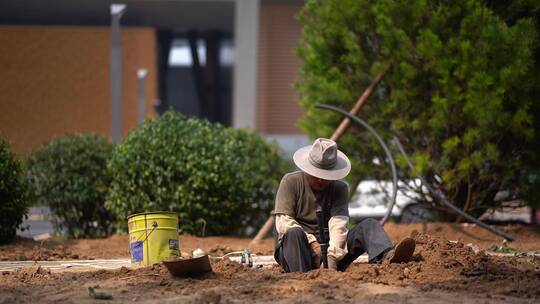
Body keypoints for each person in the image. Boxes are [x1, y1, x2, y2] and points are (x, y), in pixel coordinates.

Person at [273, 138, 415, 272]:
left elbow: (338, 224)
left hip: (332, 249)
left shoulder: (339, 188)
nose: (321, 180)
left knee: (369, 225)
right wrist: (313, 243)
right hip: (298, 249)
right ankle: (302, 274)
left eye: (325, 176)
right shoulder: (290, 182)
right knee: (293, 233)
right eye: (316, 175)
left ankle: (387, 258)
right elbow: (284, 222)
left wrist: (332, 256)